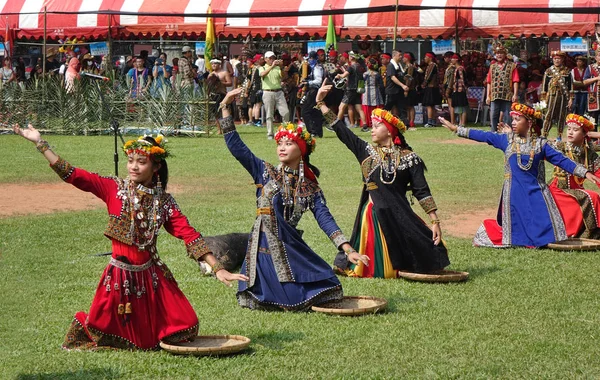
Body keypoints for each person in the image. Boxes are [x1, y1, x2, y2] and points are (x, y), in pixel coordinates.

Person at [12, 124, 246, 350]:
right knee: (104, 332)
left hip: (150, 274)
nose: (133, 167)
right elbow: (73, 174)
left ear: (156, 167)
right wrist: (40, 143)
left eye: (141, 162)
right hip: (119, 275)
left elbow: (189, 234)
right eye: (130, 161)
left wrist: (217, 268)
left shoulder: (164, 202)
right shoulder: (113, 188)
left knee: (184, 327)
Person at [218, 87, 368, 310]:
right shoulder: (264, 171)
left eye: (288, 144)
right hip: (264, 245)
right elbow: (237, 148)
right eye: (280, 143)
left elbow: (325, 219)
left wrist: (348, 249)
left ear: (302, 149)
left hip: (290, 244)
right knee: (274, 297)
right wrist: (225, 107)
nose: (282, 148)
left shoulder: (310, 187)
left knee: (328, 284)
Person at [313, 83, 449, 277]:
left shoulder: (410, 158)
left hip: (400, 212)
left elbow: (422, 190)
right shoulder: (365, 151)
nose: (372, 130)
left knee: (430, 248)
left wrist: (435, 221)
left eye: (377, 126)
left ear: (390, 130)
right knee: (376, 212)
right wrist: (321, 103)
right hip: (373, 213)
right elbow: (341, 130)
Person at [439, 103, 600, 248]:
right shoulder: (506, 140)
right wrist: (456, 129)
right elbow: (483, 136)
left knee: (546, 235)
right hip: (514, 193)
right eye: (513, 119)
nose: (513, 123)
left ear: (529, 123)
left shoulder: (541, 144)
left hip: (537, 192)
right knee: (516, 236)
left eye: (518, 119)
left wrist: (585, 172)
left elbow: (562, 160)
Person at [549, 114, 600, 239]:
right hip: (558, 190)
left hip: (575, 190)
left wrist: (594, 135)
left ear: (584, 134)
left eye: (575, 130)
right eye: (569, 129)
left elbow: (598, 174)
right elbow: (539, 147)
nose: (570, 132)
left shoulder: (589, 154)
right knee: (591, 196)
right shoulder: (560, 147)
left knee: (591, 196)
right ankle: (590, 234)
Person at [541, 50, 573, 140]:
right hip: (551, 96)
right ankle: (545, 133)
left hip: (563, 97)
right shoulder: (548, 71)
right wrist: (543, 100)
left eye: (558, 58)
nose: (557, 60)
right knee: (549, 115)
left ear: (562, 59)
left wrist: (571, 99)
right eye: (555, 59)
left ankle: (559, 135)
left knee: (562, 116)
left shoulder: (567, 71)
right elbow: (544, 87)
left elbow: (570, 86)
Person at [486, 46, 519, 132]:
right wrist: (487, 96)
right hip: (495, 95)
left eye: (501, 53)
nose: (499, 55)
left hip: (507, 95)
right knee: (493, 115)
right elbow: (489, 82)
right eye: (497, 53)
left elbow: (515, 81)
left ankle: (508, 134)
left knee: (507, 116)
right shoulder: (492, 67)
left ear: (505, 54)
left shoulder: (512, 66)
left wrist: (515, 94)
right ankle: (494, 133)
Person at [260, 51, 290, 139]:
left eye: (273, 58)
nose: (272, 60)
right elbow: (262, 74)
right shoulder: (262, 67)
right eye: (270, 58)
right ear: (265, 59)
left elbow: (284, 77)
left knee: (285, 112)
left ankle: (285, 131)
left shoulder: (278, 68)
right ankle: (270, 133)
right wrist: (272, 66)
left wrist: (281, 67)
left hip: (279, 92)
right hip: (267, 92)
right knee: (269, 114)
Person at [336, 52, 366, 129]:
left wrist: (339, 75)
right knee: (359, 109)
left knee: (341, 107)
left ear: (352, 57)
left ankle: (336, 125)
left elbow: (344, 75)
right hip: (358, 89)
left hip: (350, 90)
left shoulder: (351, 67)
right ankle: (365, 125)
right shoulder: (360, 67)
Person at [301, 51, 325, 137]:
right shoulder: (313, 67)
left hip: (314, 91)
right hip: (314, 91)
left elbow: (318, 81)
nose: (310, 60)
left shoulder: (317, 68)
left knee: (305, 111)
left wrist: (308, 83)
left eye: (311, 58)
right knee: (315, 111)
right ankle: (318, 132)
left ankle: (312, 131)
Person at [361, 57, 384, 132]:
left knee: (366, 106)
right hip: (375, 90)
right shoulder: (377, 74)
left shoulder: (364, 74)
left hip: (366, 91)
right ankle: (376, 120)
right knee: (376, 105)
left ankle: (367, 122)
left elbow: (360, 84)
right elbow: (381, 85)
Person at [422, 52, 441, 127]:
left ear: (430, 58)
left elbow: (428, 76)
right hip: (432, 87)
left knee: (429, 105)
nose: (425, 59)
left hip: (431, 87)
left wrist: (424, 84)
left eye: (426, 57)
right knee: (432, 105)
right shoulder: (431, 65)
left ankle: (430, 121)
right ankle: (433, 121)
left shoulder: (432, 65)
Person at [450, 54, 469, 128]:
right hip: (457, 89)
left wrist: (464, 88)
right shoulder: (456, 68)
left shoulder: (460, 68)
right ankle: (460, 122)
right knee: (459, 106)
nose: (451, 60)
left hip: (460, 89)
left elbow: (462, 79)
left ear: (456, 60)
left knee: (462, 107)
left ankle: (463, 123)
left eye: (453, 59)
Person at [583, 49, 600, 127]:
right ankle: (593, 138)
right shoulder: (590, 68)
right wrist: (597, 78)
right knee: (593, 119)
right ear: (596, 57)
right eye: (599, 56)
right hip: (593, 96)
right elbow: (585, 82)